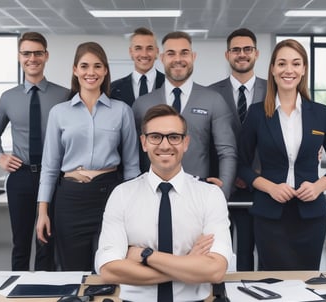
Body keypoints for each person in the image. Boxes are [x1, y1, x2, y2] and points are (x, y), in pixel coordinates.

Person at [95, 104, 233, 302]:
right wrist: (188, 265)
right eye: (155, 137)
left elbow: (215, 270)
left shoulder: (210, 195)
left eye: (174, 137)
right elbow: (109, 270)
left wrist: (146, 255)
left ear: (186, 143)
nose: (165, 145)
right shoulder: (122, 194)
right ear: (144, 142)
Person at [238, 38, 326, 270]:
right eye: (282, 64)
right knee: (273, 283)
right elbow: (242, 164)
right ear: (273, 69)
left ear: (304, 69)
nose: (289, 70)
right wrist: (270, 187)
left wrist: (319, 186)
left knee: (306, 284)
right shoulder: (257, 114)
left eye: (296, 64)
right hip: (269, 216)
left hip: (311, 216)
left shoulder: (321, 113)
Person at [36, 41, 140, 271]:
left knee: (110, 267)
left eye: (97, 66)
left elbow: (132, 165)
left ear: (105, 70)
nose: (90, 72)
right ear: (75, 70)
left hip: (109, 196)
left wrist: (134, 208)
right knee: (73, 269)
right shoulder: (59, 113)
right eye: (84, 66)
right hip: (70, 200)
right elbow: (50, 167)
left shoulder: (121, 111)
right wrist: (42, 212)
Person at [0, 32, 69, 271]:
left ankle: (46, 293)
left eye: (37, 53)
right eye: (26, 53)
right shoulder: (8, 98)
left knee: (47, 242)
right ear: (19, 57)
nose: (32, 58)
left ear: (46, 55)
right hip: (21, 176)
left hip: (54, 177)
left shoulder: (63, 95)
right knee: (20, 243)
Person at [132, 31, 237, 198]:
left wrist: (222, 194)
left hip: (198, 194)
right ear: (162, 58)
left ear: (193, 57)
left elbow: (227, 152)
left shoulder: (213, 100)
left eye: (184, 53)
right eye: (171, 53)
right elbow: (133, 155)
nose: (178, 59)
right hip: (152, 195)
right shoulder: (142, 104)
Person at [209, 28, 267, 271]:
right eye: (236, 50)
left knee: (259, 251)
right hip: (222, 186)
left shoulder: (274, 90)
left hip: (264, 184)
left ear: (256, 53)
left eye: (247, 49)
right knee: (217, 252)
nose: (242, 54)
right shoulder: (210, 93)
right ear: (227, 54)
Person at [110, 27, 165, 106]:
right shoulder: (113, 89)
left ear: (157, 51)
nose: (144, 54)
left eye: (149, 48)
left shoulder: (170, 85)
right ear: (131, 52)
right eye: (138, 48)